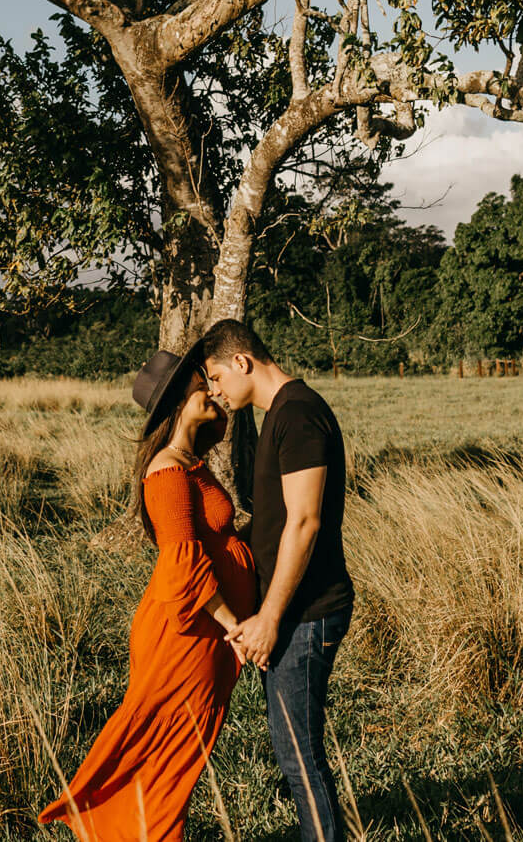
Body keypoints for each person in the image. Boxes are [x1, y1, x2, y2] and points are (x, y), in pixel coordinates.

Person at [37, 345, 256, 842]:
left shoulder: (187, 462)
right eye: (205, 383)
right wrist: (235, 625)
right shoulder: (167, 471)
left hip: (199, 629)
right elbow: (181, 563)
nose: (214, 389)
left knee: (174, 750)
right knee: (171, 752)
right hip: (186, 632)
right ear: (182, 397)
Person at [201, 320, 355, 842]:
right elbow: (275, 520)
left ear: (242, 362)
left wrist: (269, 617)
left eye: (217, 378)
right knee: (292, 747)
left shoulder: (300, 414)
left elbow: (305, 522)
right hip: (293, 611)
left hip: (308, 612)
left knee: (298, 753)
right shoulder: (280, 418)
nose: (216, 391)